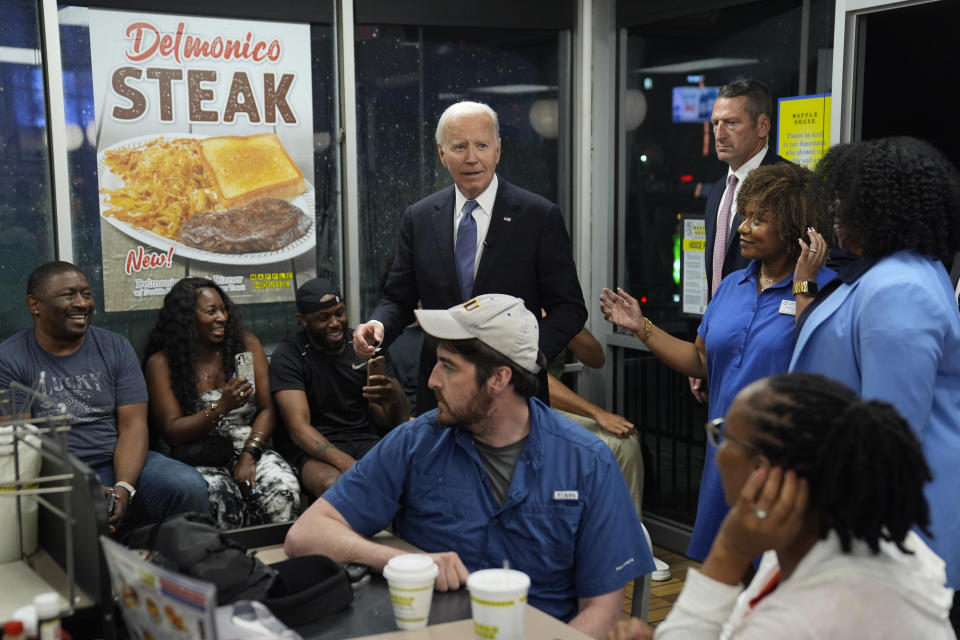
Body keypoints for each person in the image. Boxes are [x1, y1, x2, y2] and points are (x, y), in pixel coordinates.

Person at [285, 294, 654, 639]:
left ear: (498, 378)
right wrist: (405, 562)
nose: (432, 381)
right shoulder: (416, 443)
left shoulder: (587, 462)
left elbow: (603, 612)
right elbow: (306, 535)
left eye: (448, 367)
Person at [601, 163, 834, 562]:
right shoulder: (732, 285)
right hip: (726, 457)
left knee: (773, 579)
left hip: (785, 464)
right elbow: (699, 360)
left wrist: (803, 284)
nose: (743, 227)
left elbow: (818, 359)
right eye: (745, 215)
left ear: (795, 229)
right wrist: (641, 327)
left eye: (759, 219)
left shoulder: (826, 290)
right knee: (723, 571)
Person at [609, 373, 956, 640]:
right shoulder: (839, 539)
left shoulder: (805, 618)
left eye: (724, 433)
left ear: (763, 473)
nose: (717, 444)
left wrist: (729, 551)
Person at [790, 136, 960, 626]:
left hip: (894, 528)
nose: (837, 209)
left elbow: (891, 434)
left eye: (851, 199)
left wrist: (853, 544)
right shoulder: (896, 272)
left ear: (888, 208)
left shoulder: (899, 288)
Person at [352, 100, 587, 412]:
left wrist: (526, 354)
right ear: (441, 153)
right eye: (460, 146)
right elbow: (398, 298)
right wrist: (377, 325)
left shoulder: (538, 216)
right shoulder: (419, 217)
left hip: (512, 390)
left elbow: (569, 307)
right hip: (440, 391)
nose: (472, 158)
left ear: (498, 151)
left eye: (481, 145)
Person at [0, 262, 209, 533]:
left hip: (117, 460)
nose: (82, 303)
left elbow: (133, 426)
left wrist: (123, 488)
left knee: (187, 485)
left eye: (86, 294)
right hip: (54, 473)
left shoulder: (115, 347)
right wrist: (81, 486)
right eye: (68, 295)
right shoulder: (10, 358)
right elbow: (21, 445)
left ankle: (188, 562)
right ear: (34, 304)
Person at [142, 278, 300, 529]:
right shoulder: (162, 363)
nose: (222, 318)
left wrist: (250, 454)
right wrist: (221, 406)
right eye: (211, 311)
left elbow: (268, 408)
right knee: (221, 500)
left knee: (283, 488)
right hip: (198, 455)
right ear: (186, 319)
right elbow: (173, 431)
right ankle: (229, 563)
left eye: (223, 309)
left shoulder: (244, 348)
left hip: (249, 446)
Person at [693, 79, 789, 404]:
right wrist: (704, 346)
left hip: (766, 358)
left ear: (763, 126)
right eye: (716, 123)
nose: (719, 133)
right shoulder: (718, 189)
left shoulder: (788, 187)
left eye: (731, 123)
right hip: (719, 349)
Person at [269, 278, 410, 498]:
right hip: (315, 449)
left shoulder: (364, 346)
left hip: (364, 439)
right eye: (323, 318)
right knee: (335, 485)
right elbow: (298, 428)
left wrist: (392, 395)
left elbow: (388, 419)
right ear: (303, 320)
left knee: (405, 478)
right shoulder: (290, 354)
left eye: (339, 313)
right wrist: (350, 465)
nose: (335, 323)